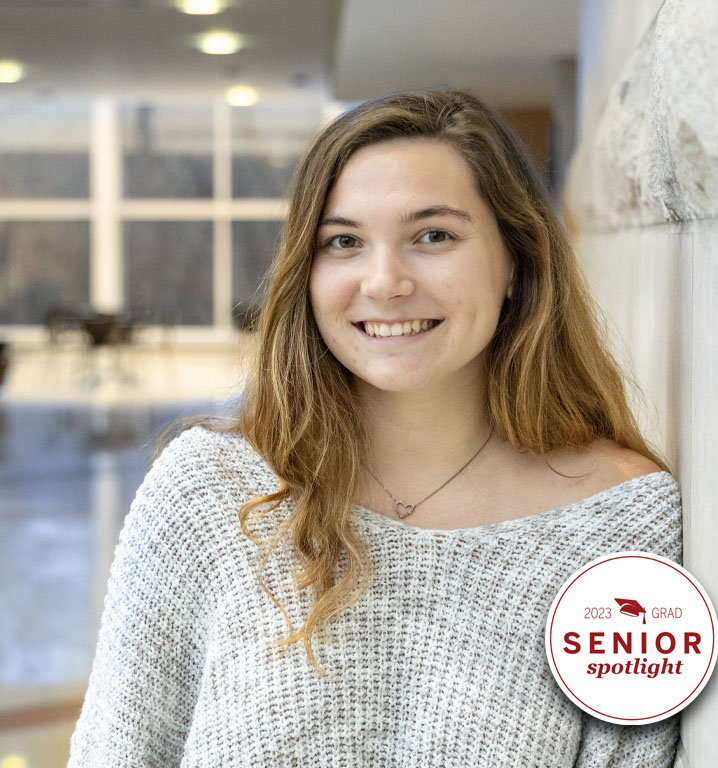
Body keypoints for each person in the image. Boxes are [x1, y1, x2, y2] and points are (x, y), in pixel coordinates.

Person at [68, 89, 683, 767]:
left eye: (433, 236)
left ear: (517, 259)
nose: (385, 282)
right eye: (344, 242)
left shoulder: (621, 523)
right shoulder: (206, 495)